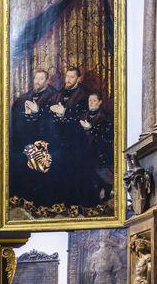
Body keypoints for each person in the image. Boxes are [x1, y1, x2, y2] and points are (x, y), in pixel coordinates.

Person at [9, 69, 61, 206]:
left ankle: (41, 202)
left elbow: (53, 121)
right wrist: (26, 115)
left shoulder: (54, 96)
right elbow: (16, 117)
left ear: (47, 80)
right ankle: (26, 196)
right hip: (27, 140)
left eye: (41, 79)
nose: (37, 82)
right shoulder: (26, 96)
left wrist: (36, 113)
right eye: (36, 78)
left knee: (42, 170)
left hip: (45, 141)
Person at [49, 66, 97, 208]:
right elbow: (51, 108)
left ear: (78, 78)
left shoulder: (84, 95)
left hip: (77, 139)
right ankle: (62, 201)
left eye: (71, 77)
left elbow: (85, 115)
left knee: (77, 170)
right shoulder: (60, 93)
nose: (68, 80)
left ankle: (78, 202)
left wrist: (65, 113)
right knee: (61, 168)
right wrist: (55, 112)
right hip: (61, 138)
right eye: (67, 76)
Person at [81, 91, 114, 202]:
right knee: (89, 175)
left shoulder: (105, 117)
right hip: (86, 151)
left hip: (100, 151)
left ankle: (106, 194)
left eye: (94, 101)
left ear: (99, 102)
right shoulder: (84, 115)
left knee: (103, 175)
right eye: (90, 101)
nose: (91, 103)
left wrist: (91, 129)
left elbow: (108, 135)